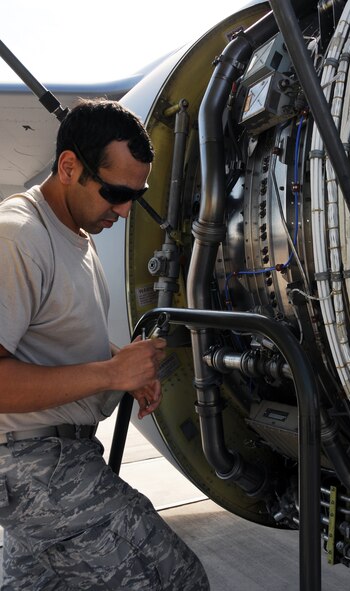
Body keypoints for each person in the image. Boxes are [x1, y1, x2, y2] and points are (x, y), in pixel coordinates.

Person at [0, 98, 210, 590]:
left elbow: (49, 340)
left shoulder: (74, 231)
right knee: (176, 580)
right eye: (114, 191)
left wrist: (123, 365)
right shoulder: (18, 238)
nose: (122, 209)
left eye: (133, 196)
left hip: (48, 459)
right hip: (35, 465)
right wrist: (112, 375)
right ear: (69, 166)